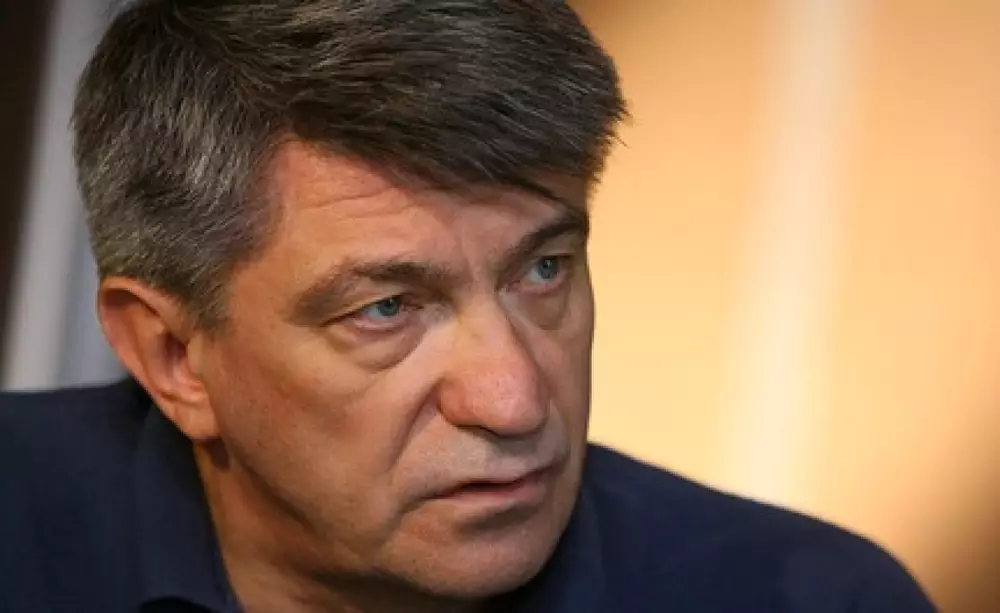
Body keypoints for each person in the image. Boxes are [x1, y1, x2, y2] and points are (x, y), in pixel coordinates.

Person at [0, 1, 936, 612]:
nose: (515, 399)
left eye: (543, 269)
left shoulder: (806, 596)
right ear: (172, 356)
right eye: (387, 308)